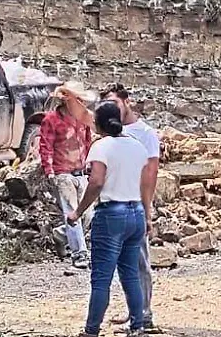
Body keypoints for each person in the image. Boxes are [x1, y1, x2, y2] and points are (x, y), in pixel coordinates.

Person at [69, 102, 151, 337]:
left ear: (99, 124)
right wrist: (147, 215)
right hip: (135, 212)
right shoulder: (137, 147)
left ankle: (91, 330)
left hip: (111, 214)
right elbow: (143, 183)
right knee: (130, 274)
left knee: (102, 278)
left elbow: (96, 182)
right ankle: (137, 326)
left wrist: (78, 212)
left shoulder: (101, 146)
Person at [101, 85, 161, 332]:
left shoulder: (145, 134)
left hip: (135, 203)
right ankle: (135, 311)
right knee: (125, 264)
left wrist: (147, 209)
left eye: (115, 102)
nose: (112, 108)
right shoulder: (112, 131)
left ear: (127, 101)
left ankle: (144, 316)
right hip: (115, 202)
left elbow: (151, 172)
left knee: (138, 262)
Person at [41, 84, 95, 269]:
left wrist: (90, 164)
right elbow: (46, 145)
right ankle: (79, 254)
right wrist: (49, 171)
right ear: (67, 100)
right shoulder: (52, 120)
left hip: (81, 171)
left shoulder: (83, 120)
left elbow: (88, 142)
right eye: (77, 99)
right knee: (72, 211)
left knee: (87, 214)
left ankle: (60, 234)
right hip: (62, 172)